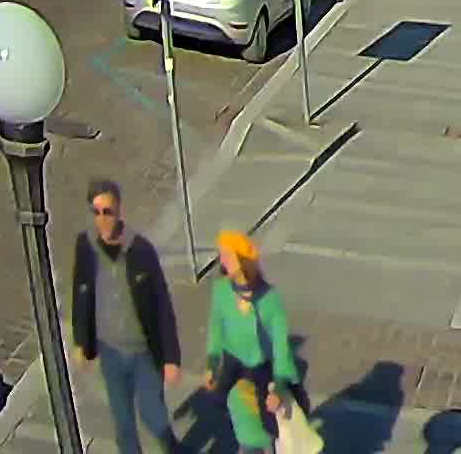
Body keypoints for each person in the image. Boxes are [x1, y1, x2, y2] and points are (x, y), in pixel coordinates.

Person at [67, 180, 180, 454]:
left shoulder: (141, 251)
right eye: (97, 212)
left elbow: (162, 306)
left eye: (108, 211)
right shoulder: (86, 246)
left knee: (155, 417)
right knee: (123, 425)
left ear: (119, 211)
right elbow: (81, 294)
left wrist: (171, 359)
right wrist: (82, 341)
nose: (103, 219)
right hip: (111, 352)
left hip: (143, 352)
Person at [204, 231, 306, 454]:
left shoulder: (269, 299)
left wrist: (279, 386)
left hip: (262, 373)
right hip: (233, 370)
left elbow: (281, 349)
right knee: (248, 433)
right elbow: (215, 329)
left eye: (227, 256)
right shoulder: (221, 291)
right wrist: (211, 364)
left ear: (243, 261)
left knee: (266, 431)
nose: (221, 261)